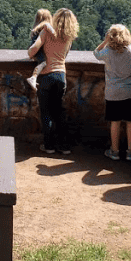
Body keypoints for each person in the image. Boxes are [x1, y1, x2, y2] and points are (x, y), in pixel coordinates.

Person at [28, 8, 79, 155]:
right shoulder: (69, 38)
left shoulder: (46, 33)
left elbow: (31, 51)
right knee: (59, 111)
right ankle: (64, 146)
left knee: (46, 112)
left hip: (45, 75)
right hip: (61, 76)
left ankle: (49, 145)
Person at [94, 24, 131, 162]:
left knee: (115, 122)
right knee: (130, 123)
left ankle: (115, 151)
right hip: (130, 92)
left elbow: (95, 53)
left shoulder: (106, 52)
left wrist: (105, 41)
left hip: (113, 93)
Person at [26, 8, 54, 91]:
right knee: (43, 62)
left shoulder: (38, 27)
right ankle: (33, 77)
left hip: (36, 48)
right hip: (38, 49)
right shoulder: (45, 27)